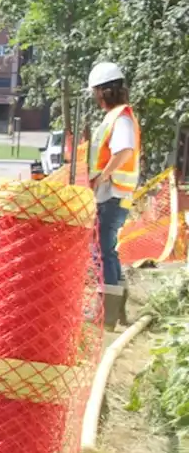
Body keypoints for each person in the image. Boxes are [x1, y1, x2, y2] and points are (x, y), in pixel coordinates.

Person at [87, 61, 141, 286]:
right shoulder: (116, 116)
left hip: (112, 195)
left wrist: (103, 176)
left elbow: (125, 151)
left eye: (96, 92)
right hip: (111, 195)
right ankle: (113, 306)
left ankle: (107, 309)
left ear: (103, 91)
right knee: (105, 250)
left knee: (102, 251)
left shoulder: (121, 119)